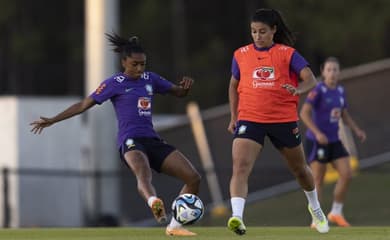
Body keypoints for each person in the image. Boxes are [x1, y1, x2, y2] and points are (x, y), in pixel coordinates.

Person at [30, 33, 201, 236]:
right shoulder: (114, 83)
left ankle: (174, 227)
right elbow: (84, 104)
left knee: (193, 178)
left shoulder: (151, 79)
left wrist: (185, 88)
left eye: (143, 64)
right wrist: (53, 120)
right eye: (134, 64)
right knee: (143, 173)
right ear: (123, 62)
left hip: (153, 140)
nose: (139, 69)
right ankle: (154, 201)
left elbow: (178, 92)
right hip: (130, 141)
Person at [227, 8, 329, 235]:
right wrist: (234, 116)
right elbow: (234, 85)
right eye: (253, 31)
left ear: (274, 30)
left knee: (300, 170)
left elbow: (311, 80)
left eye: (262, 31)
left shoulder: (287, 54)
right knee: (241, 167)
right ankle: (237, 217)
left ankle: (315, 207)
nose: (257, 36)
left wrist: (298, 89)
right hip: (250, 118)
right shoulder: (240, 54)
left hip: (282, 119)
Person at [300, 57, 366, 227]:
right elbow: (304, 113)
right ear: (323, 71)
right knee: (318, 180)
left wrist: (356, 130)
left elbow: (343, 114)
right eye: (329, 70)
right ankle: (317, 218)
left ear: (339, 73)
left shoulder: (340, 91)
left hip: (334, 141)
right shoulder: (318, 91)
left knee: (347, 174)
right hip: (317, 142)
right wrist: (317, 132)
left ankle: (336, 212)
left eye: (335, 70)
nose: (332, 73)